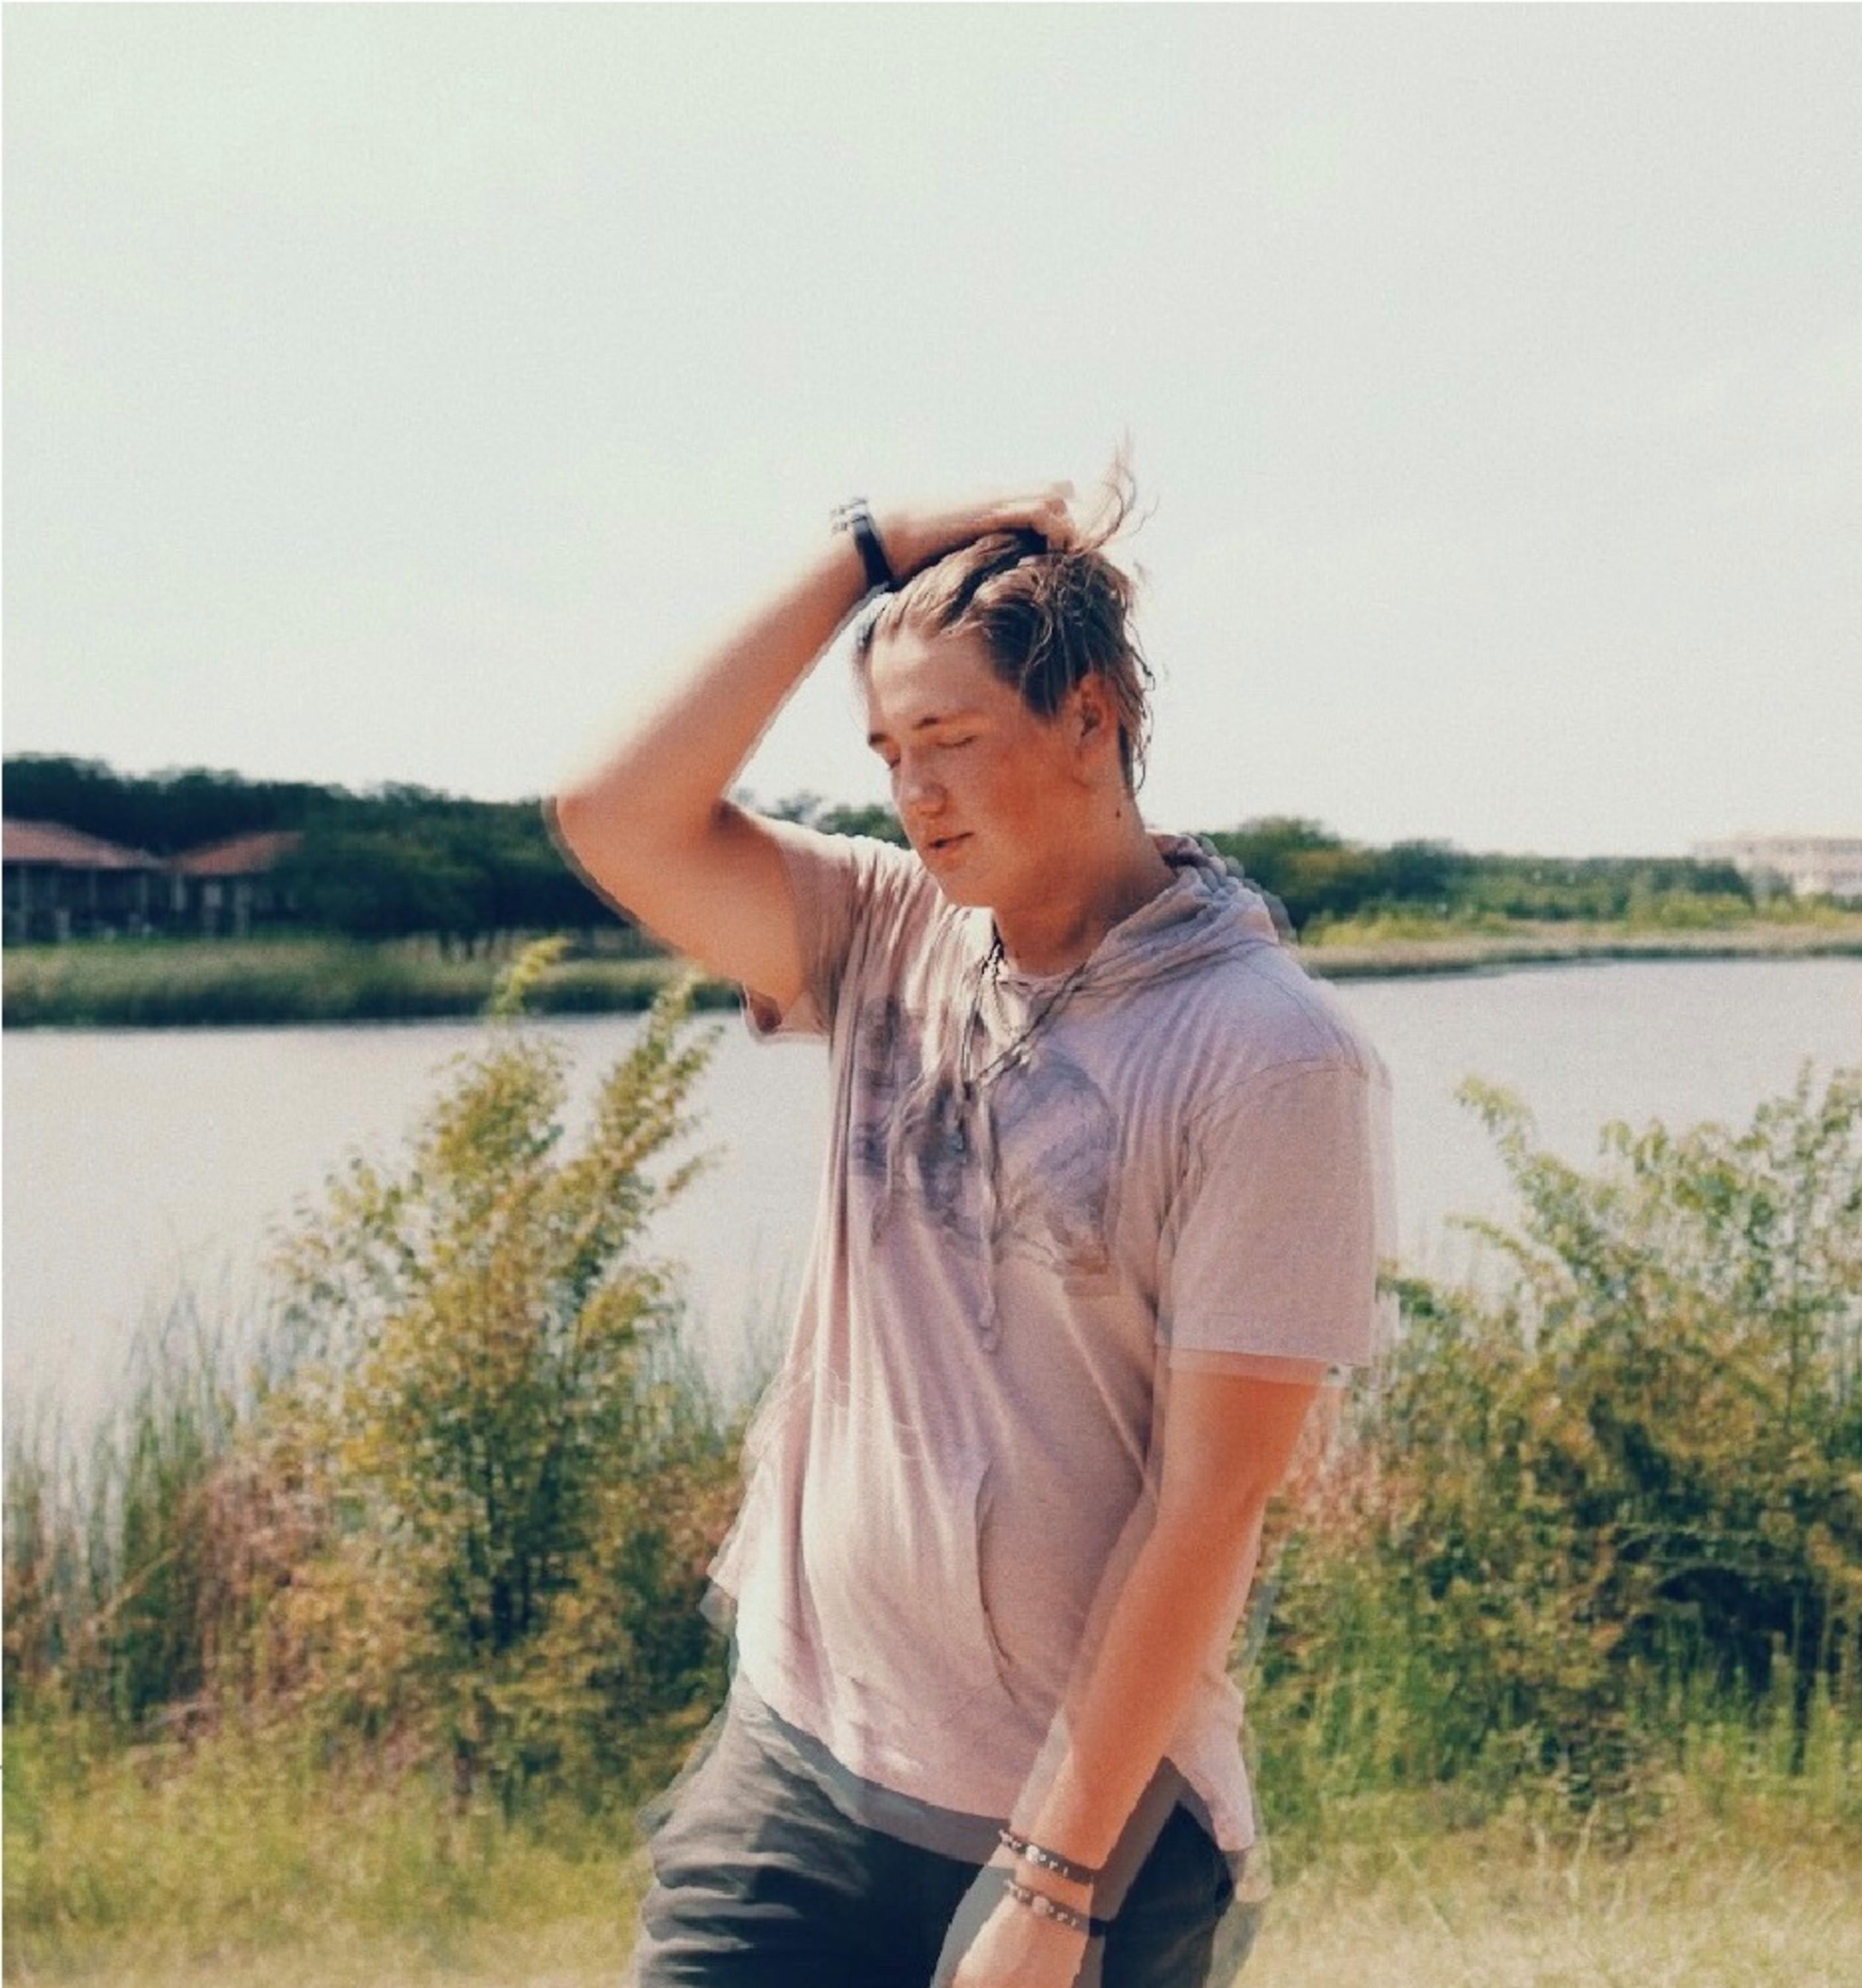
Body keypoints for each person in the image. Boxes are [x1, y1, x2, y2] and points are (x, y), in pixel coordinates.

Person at [548, 468, 1394, 1988]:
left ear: (1089, 718)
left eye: (950, 740)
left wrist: (1054, 1888)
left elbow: (1210, 1503)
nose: (915, 794)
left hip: (1082, 1826)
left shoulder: (1269, 1055)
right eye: (889, 754)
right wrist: (864, 555)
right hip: (797, 1759)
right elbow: (612, 812)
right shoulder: (887, 932)